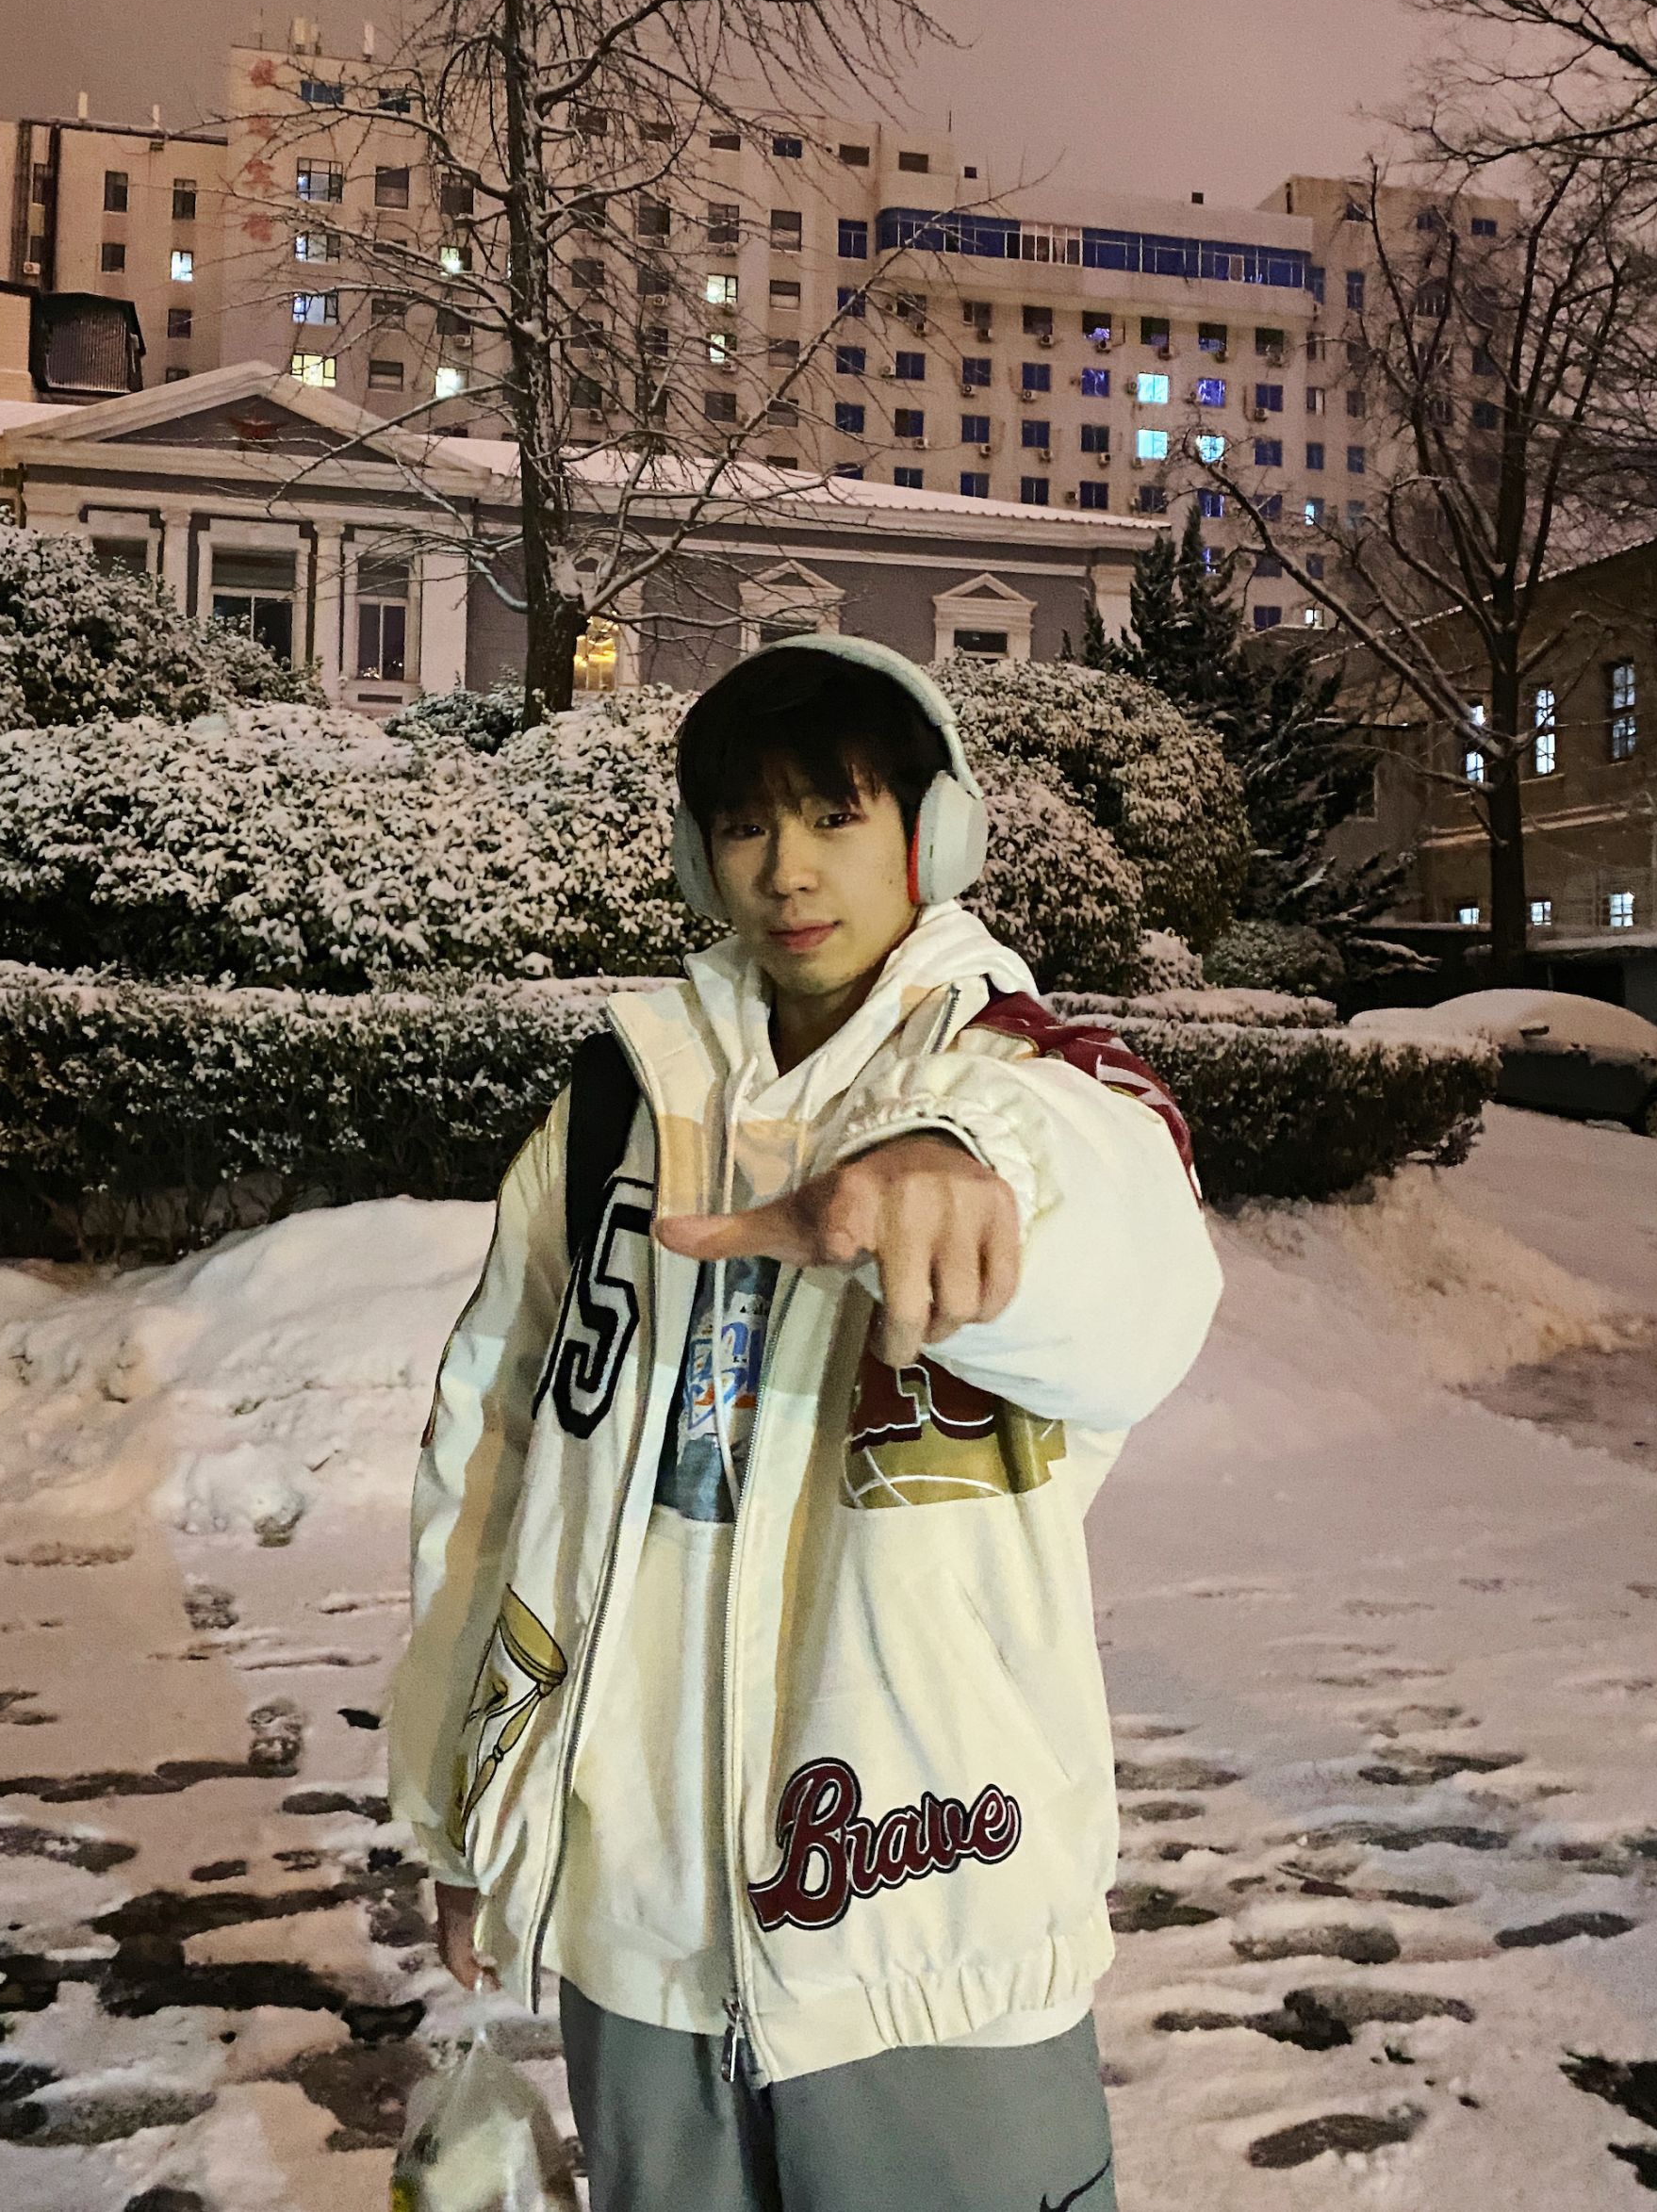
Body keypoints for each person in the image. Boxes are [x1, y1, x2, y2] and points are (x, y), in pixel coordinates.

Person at [388, 636, 1223, 2212]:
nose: (788, 868)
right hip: (637, 1938)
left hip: (927, 1934)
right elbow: (490, 1464)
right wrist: (461, 1809)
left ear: (932, 834)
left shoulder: (1017, 1075)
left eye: (836, 815)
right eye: (747, 823)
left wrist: (960, 1171)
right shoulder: (618, 1105)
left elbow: (1145, 1272)